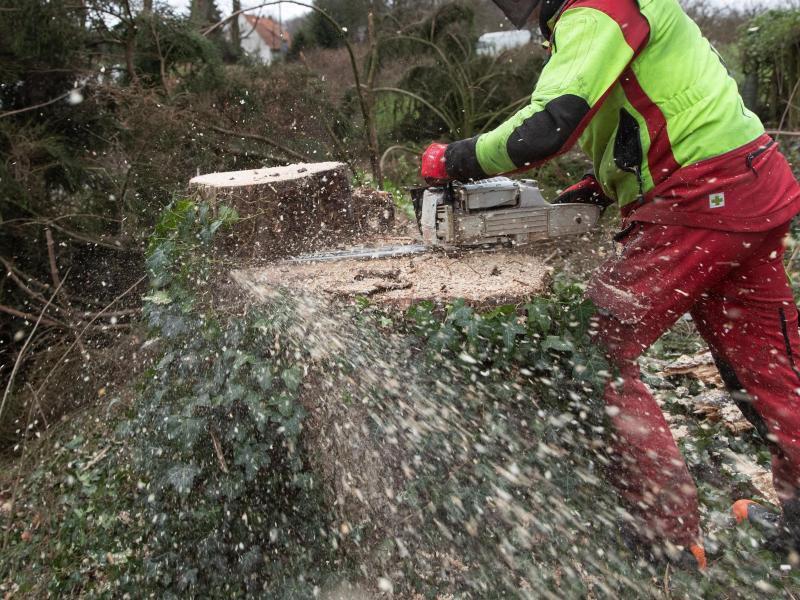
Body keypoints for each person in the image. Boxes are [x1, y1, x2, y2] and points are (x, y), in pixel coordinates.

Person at [420, 0, 800, 570]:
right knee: (768, 363)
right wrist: (603, 185)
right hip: (750, 181)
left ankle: (665, 536)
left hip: (698, 199)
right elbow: (657, 107)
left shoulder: (595, 9)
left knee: (595, 348)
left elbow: (545, 129)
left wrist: (453, 159)